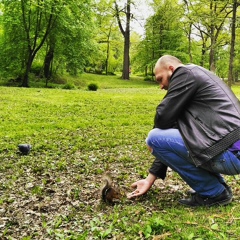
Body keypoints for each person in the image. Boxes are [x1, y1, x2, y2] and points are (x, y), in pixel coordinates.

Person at [127, 55, 240, 207]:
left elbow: (163, 117)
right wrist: (149, 179)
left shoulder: (185, 73)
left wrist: (155, 142)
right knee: (157, 139)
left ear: (172, 69)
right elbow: (169, 136)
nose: (161, 86)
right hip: (232, 152)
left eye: (160, 79)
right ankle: (218, 189)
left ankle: (214, 192)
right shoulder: (196, 78)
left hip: (231, 152)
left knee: (153, 138)